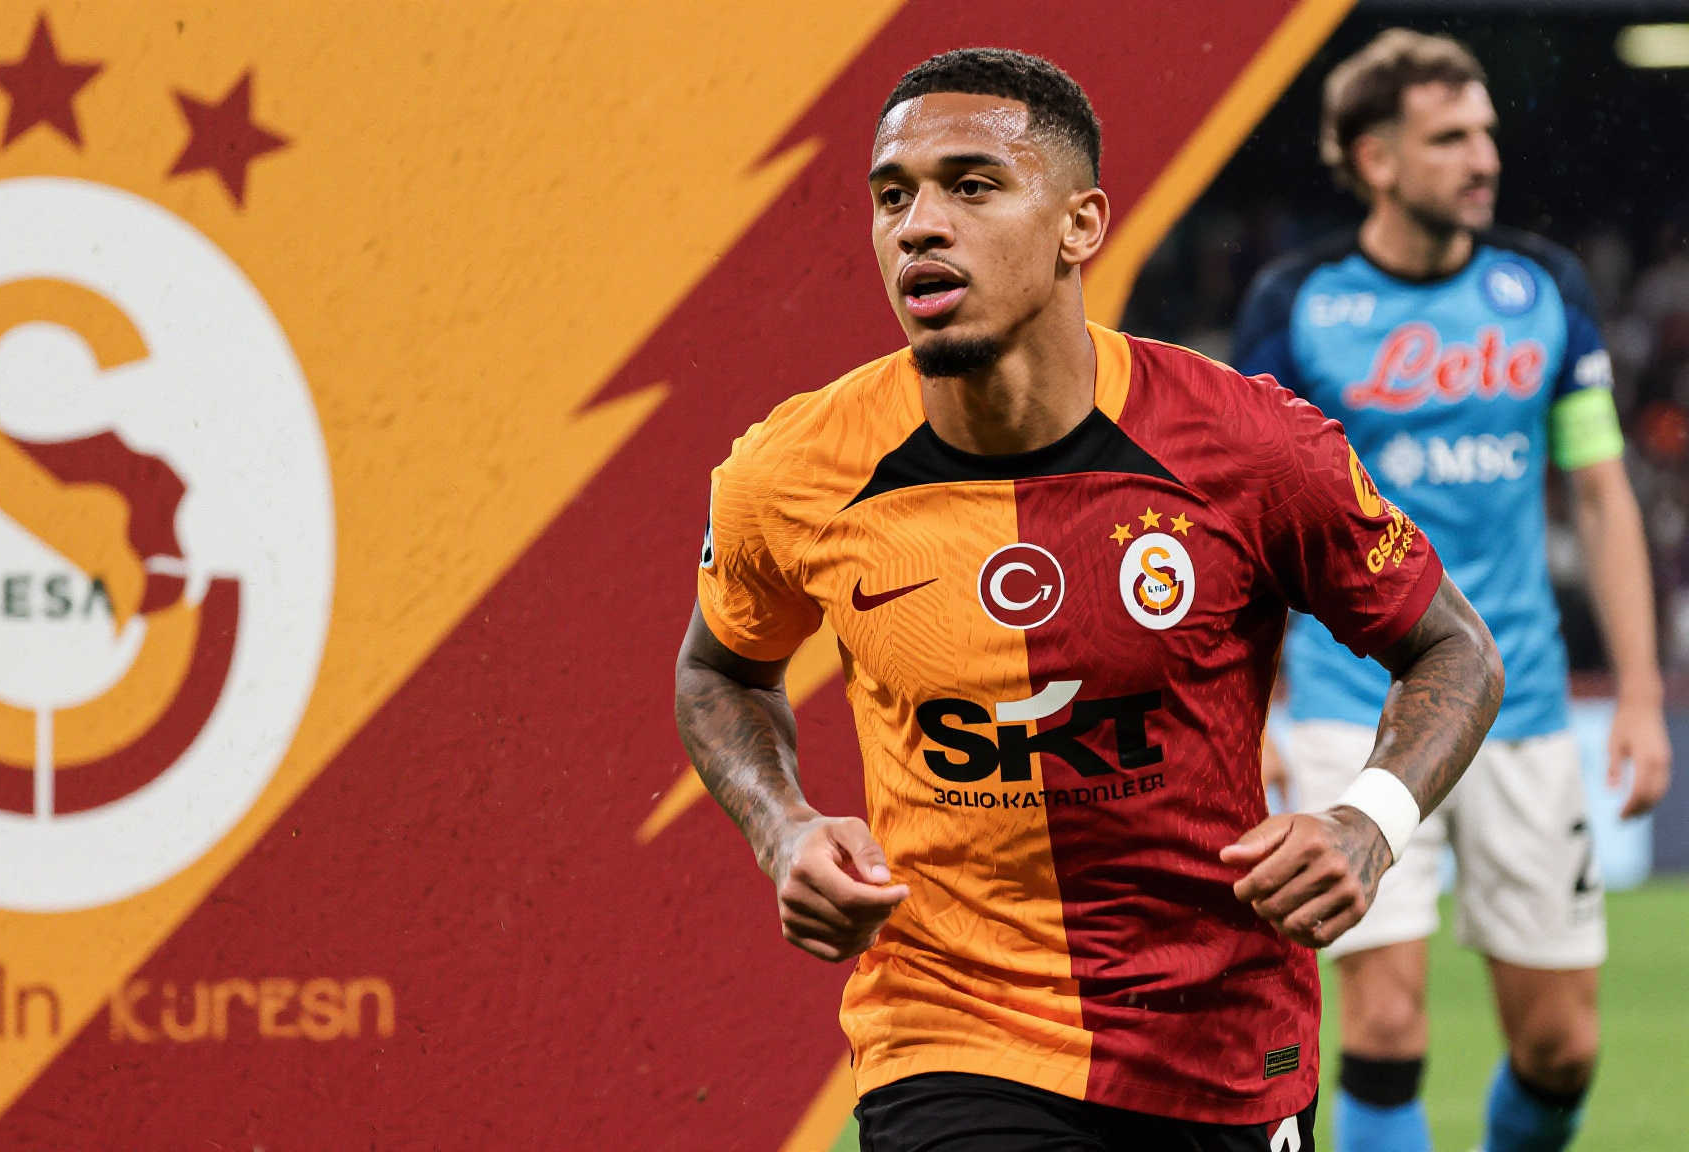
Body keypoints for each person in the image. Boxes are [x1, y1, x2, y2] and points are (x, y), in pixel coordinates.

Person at [673, 47, 1504, 1152]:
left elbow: (1453, 649)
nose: (918, 226)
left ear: (1080, 225)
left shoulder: (1248, 446)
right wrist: (781, 829)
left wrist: (1370, 822)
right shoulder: (791, 472)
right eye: (892, 196)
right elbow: (719, 670)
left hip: (1219, 1040)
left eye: (972, 186)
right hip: (948, 1030)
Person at [1233, 29, 1673, 1152]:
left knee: (1560, 1050)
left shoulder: (1544, 290)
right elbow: (1248, 520)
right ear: (1374, 159)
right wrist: (1256, 709)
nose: (1483, 158)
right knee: (1382, 1024)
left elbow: (1600, 493)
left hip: (1520, 704)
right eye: (1449, 138)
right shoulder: (1296, 302)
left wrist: (1637, 695)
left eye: (1484, 132)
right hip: (1351, 701)